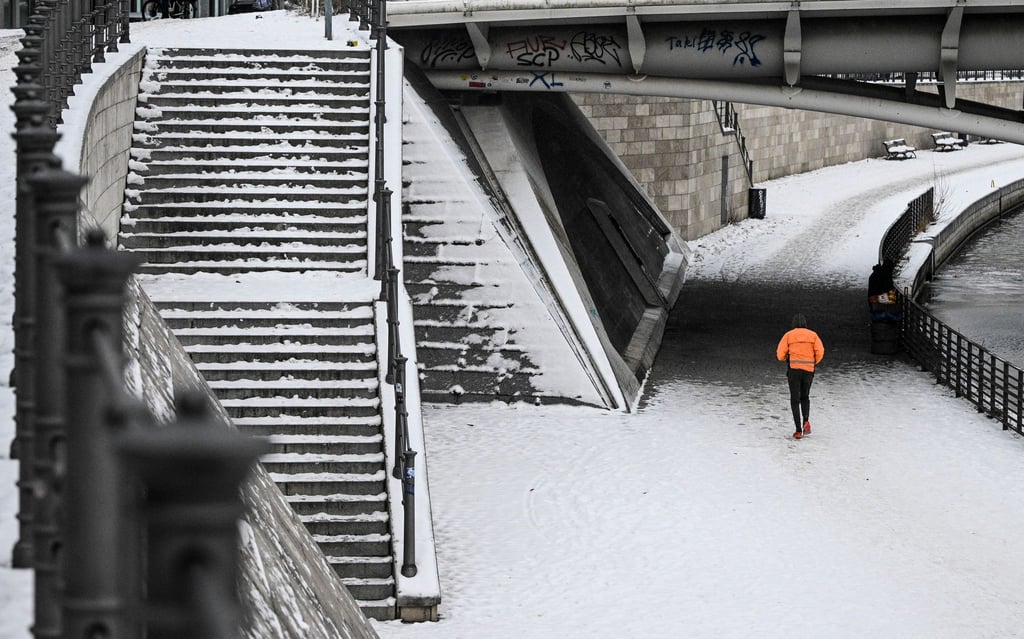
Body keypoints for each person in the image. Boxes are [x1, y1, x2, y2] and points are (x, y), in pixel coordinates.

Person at [776, 313, 825, 440]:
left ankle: (798, 430)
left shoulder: (788, 335)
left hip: (794, 370)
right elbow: (820, 352)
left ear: (793, 324)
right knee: (805, 396)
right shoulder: (813, 335)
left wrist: (787, 357)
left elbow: (780, 354)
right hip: (809, 370)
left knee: (794, 399)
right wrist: (813, 362)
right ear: (805, 324)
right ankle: (806, 421)